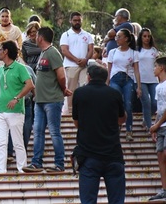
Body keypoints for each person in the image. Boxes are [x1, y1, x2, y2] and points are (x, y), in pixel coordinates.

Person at [73, 65, 126, 204]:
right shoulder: (115, 94)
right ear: (105, 78)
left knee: (88, 201)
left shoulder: (79, 93)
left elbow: (76, 122)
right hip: (113, 154)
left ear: (89, 76)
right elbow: (122, 118)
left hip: (88, 155)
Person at [23, 27, 71, 173]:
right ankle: (36, 163)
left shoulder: (53, 52)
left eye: (36, 35)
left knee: (54, 132)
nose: (34, 37)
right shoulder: (43, 53)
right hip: (40, 100)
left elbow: (61, 75)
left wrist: (63, 89)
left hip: (53, 99)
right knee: (37, 131)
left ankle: (59, 164)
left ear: (40, 37)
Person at [0, 40, 34, 173]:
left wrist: (17, 98)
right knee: (1, 142)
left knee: (17, 141)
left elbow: (30, 85)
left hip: (15, 111)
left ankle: (22, 168)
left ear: (5, 51)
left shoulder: (20, 67)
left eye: (0, 50)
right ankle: (1, 170)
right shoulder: (0, 70)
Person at [107, 28, 141, 141]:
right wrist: (107, 82)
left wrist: (139, 86)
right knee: (115, 103)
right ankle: (115, 127)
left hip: (128, 79)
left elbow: (136, 70)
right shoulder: (113, 52)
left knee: (128, 104)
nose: (117, 38)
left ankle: (129, 130)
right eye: (116, 36)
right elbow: (109, 68)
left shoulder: (133, 53)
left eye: (119, 36)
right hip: (115, 79)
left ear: (126, 39)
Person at [60, 11, 94, 113]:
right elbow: (64, 50)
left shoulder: (88, 35)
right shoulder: (66, 35)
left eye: (79, 20)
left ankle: (84, 111)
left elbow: (91, 50)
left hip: (84, 66)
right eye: (75, 20)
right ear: (70, 21)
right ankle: (70, 111)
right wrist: (76, 60)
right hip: (71, 66)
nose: (77, 22)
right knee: (71, 89)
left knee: (85, 87)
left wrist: (85, 59)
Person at [0, 7, 23, 73]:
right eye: (2, 16)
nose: (4, 18)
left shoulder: (16, 29)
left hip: (13, 56)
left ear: (10, 17)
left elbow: (20, 46)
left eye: (7, 16)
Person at [149, 57, 166, 201]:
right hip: (161, 126)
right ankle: (164, 188)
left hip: (164, 125)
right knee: (160, 156)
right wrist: (155, 127)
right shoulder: (158, 86)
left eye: (155, 66)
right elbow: (159, 109)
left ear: (161, 67)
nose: (153, 69)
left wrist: (157, 124)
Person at [137, 28, 159, 130]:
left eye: (148, 36)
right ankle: (150, 127)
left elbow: (158, 65)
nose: (147, 38)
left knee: (155, 103)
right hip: (141, 79)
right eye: (144, 36)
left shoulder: (154, 50)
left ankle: (146, 119)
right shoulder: (137, 50)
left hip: (153, 79)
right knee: (146, 102)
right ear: (141, 37)